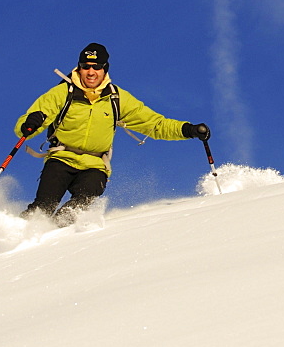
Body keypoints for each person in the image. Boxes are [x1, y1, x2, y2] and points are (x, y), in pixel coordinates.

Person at [16, 42, 210, 226]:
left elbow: (155, 124)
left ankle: (52, 240)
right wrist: (31, 123)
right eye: (86, 66)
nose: (91, 72)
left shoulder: (116, 98)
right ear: (79, 68)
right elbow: (31, 121)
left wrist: (188, 130)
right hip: (61, 158)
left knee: (76, 210)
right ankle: (13, 236)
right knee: (42, 207)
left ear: (105, 69)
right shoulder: (62, 93)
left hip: (95, 165)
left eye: (96, 67)